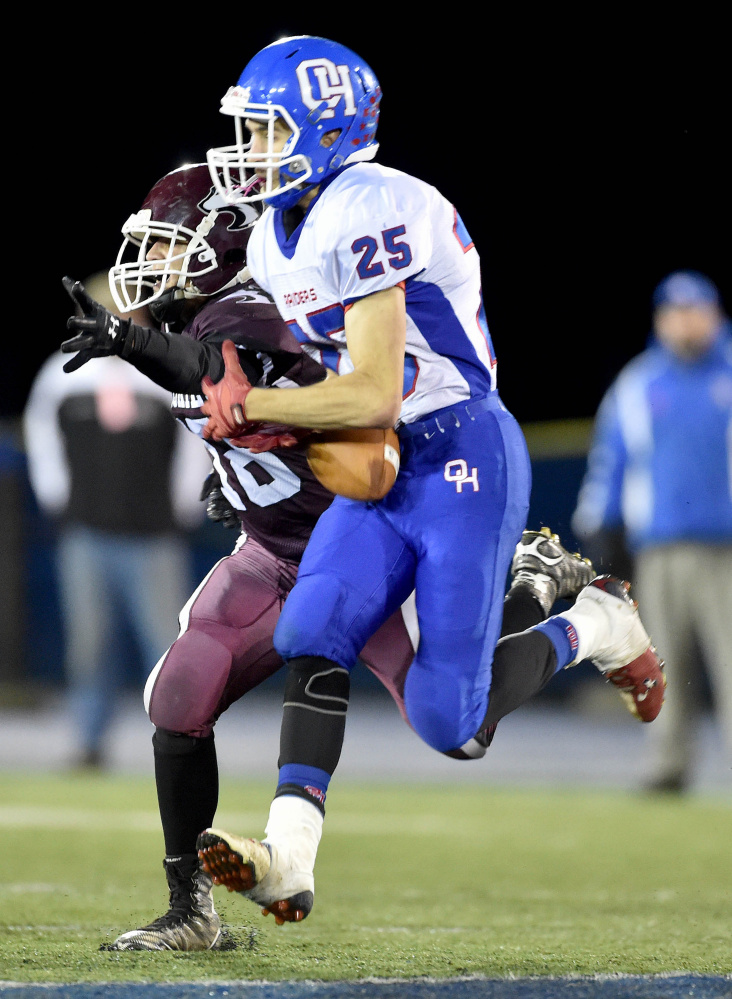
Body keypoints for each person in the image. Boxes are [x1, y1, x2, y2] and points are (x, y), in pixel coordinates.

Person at [194, 34, 666, 927]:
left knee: (453, 723)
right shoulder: (271, 236)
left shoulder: (372, 205)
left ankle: (595, 621)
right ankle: (287, 858)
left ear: (326, 130)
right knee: (313, 625)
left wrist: (259, 405)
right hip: (382, 457)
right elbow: (327, 391)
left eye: (267, 131)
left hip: (459, 453)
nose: (249, 152)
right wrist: (245, 427)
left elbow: (371, 385)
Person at [60, 162, 422, 951]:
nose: (146, 265)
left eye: (164, 246)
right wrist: (242, 482)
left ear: (215, 245)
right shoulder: (195, 319)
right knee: (179, 694)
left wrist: (127, 339)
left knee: (457, 718)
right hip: (272, 551)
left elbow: (214, 367)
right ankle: (192, 910)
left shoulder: (252, 310)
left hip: (362, 549)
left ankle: (568, 611)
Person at [23, 272, 208, 770]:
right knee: (88, 646)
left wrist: (183, 505)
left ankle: (178, 740)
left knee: (167, 648)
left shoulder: (160, 366)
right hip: (87, 531)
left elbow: (194, 439)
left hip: (154, 535)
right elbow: (40, 437)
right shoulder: (65, 371)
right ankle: (88, 740)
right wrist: (57, 498)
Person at [572, 270, 732, 794]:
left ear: (715, 316)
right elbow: (609, 460)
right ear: (662, 320)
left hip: (726, 548)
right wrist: (598, 522)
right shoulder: (638, 382)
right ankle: (669, 765)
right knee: (661, 663)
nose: (686, 321)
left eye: (696, 310)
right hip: (658, 547)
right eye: (676, 311)